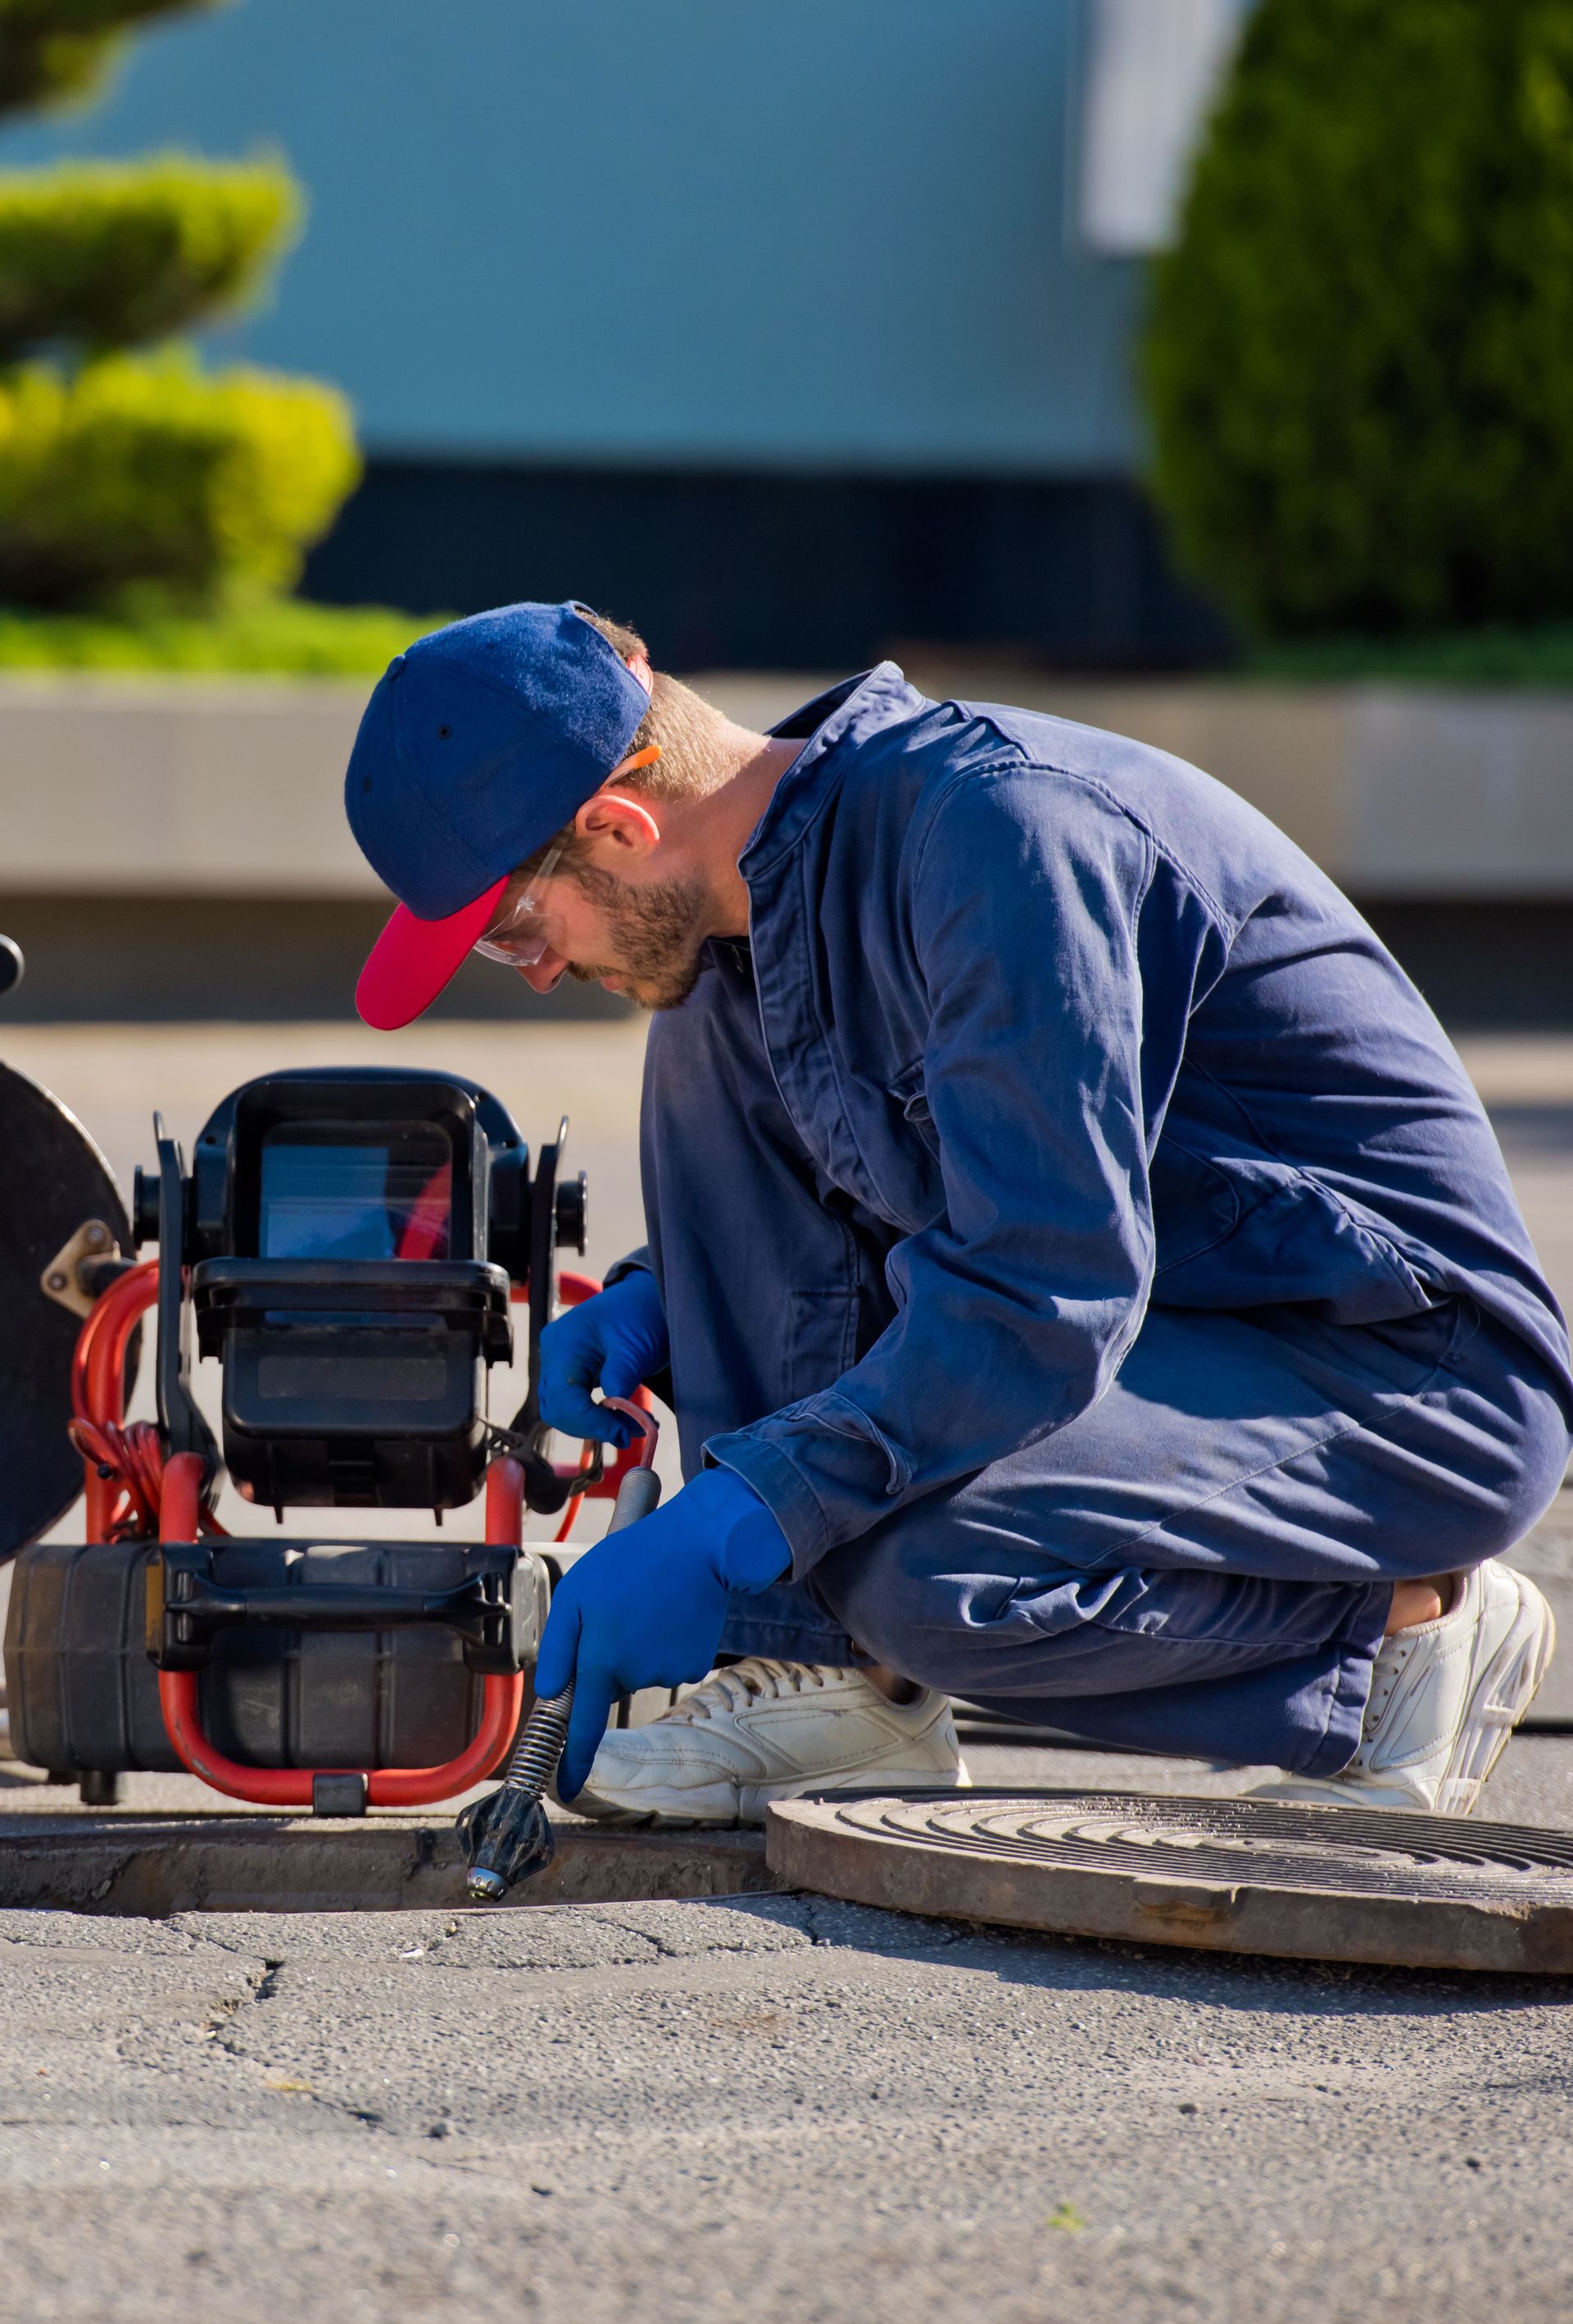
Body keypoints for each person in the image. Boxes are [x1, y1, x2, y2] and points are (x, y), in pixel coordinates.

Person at [347, 598, 1571, 1822]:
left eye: (515, 933)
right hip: (1181, 1322)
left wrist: (754, 1505)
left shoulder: (999, 836)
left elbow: (1046, 1291)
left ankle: (1405, 1637)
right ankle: (837, 1689)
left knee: (932, 1577)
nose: (543, 969)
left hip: (1404, 1374)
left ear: (617, 822)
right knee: (704, 1018)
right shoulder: (771, 898)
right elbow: (908, 1185)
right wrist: (670, 1291)